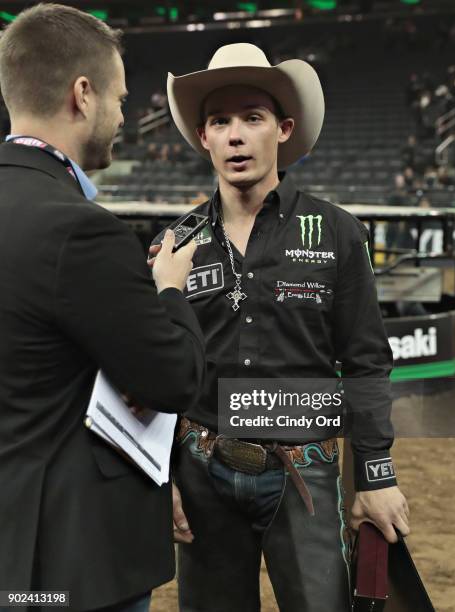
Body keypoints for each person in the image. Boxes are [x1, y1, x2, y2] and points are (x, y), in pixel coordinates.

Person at [149, 43, 410, 611]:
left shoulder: (338, 232)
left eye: (253, 118)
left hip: (305, 471)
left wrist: (376, 474)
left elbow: (366, 359)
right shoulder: (174, 246)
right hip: (200, 469)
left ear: (283, 129)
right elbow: (160, 370)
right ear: (203, 138)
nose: (236, 135)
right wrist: (160, 475)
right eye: (220, 121)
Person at [0, 5, 204, 612]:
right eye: (118, 98)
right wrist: (168, 290)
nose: (122, 116)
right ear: (81, 95)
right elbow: (172, 377)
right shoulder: (80, 231)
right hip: (63, 560)